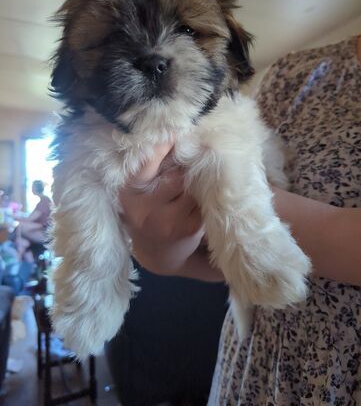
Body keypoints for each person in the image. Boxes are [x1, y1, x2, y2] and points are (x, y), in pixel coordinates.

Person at [118, 34, 361, 404]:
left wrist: (222, 191)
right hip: (252, 368)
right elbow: (225, 262)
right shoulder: (294, 73)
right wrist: (160, 252)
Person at [17, 180, 52, 247]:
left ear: (36, 188)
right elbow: (32, 217)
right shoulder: (44, 200)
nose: (31, 189)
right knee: (22, 238)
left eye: (32, 187)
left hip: (45, 231)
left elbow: (30, 219)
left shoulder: (44, 201)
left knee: (21, 228)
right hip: (42, 228)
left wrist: (16, 217)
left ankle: (19, 253)